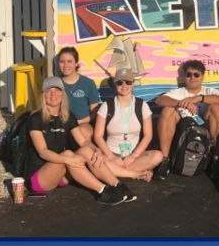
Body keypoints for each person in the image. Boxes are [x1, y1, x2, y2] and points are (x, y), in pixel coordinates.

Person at [23, 77, 134, 206]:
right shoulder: (36, 118)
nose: (53, 94)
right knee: (68, 154)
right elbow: (43, 152)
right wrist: (68, 160)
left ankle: (117, 185)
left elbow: (83, 142)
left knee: (86, 150)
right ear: (43, 95)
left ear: (63, 94)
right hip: (40, 178)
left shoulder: (69, 116)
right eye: (49, 91)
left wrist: (96, 150)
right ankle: (102, 191)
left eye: (57, 90)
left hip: (61, 174)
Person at [154, 60, 219, 179]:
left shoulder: (210, 91)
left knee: (216, 108)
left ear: (202, 77)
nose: (192, 77)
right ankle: (165, 160)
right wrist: (181, 103)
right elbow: (159, 101)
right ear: (183, 77)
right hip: (182, 130)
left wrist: (199, 98)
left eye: (196, 74)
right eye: (189, 74)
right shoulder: (178, 92)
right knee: (167, 110)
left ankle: (216, 158)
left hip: (204, 129)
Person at [93, 68, 163, 182]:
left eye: (128, 82)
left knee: (158, 156)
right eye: (120, 82)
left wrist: (133, 156)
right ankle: (134, 174)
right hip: (111, 155)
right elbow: (98, 136)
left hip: (134, 155)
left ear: (133, 84)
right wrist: (111, 157)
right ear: (115, 84)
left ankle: (117, 172)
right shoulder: (106, 106)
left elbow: (148, 135)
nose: (124, 85)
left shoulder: (142, 105)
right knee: (96, 160)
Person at [57, 47, 102, 142]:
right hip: (60, 126)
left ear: (76, 63)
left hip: (82, 124)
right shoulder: (55, 84)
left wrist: (79, 122)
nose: (65, 65)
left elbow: (94, 112)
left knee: (83, 133)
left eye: (69, 61)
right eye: (62, 62)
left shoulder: (88, 83)